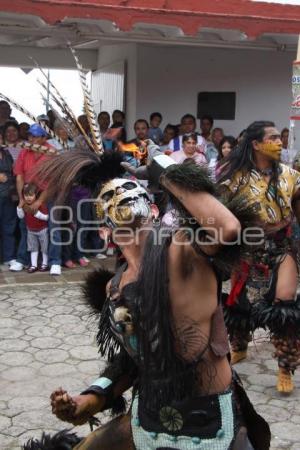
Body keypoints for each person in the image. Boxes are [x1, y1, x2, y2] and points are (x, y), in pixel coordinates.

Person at [27, 149, 270, 450]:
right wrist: (90, 399)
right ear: (104, 231)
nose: (123, 194)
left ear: (154, 210)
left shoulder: (184, 251)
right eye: (109, 196)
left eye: (131, 188)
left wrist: (164, 171)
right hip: (147, 421)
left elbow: (228, 228)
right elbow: (134, 360)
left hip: (210, 429)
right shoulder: (115, 289)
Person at [218, 121, 300, 394]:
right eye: (273, 138)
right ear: (256, 144)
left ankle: (285, 367)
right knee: (239, 303)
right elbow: (216, 209)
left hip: (282, 247)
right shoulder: (234, 177)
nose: (279, 142)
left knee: (285, 307)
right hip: (247, 249)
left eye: (280, 137)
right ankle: (239, 345)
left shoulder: (290, 175)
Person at [10, 123, 61, 275]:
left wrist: (40, 201)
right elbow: (19, 176)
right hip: (28, 193)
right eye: (30, 136)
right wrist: (22, 199)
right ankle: (22, 260)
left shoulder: (52, 152)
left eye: (35, 136)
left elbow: (53, 181)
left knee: (54, 228)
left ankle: (55, 262)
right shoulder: (24, 151)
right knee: (25, 227)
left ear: (43, 138)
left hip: (49, 194)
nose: (31, 139)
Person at [16, 183, 49, 273]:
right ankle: (33, 265)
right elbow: (21, 216)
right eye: (26, 195)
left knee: (44, 248)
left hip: (43, 229)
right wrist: (19, 207)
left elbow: (47, 217)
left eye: (31, 195)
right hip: (30, 230)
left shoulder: (40, 205)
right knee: (33, 248)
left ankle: (45, 264)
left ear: (36, 195)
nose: (28, 198)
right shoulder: (25, 205)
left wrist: (37, 214)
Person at [0, 145, 17, 265]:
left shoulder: (7, 153)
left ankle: (9, 257)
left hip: (8, 196)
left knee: (8, 227)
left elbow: (14, 172)